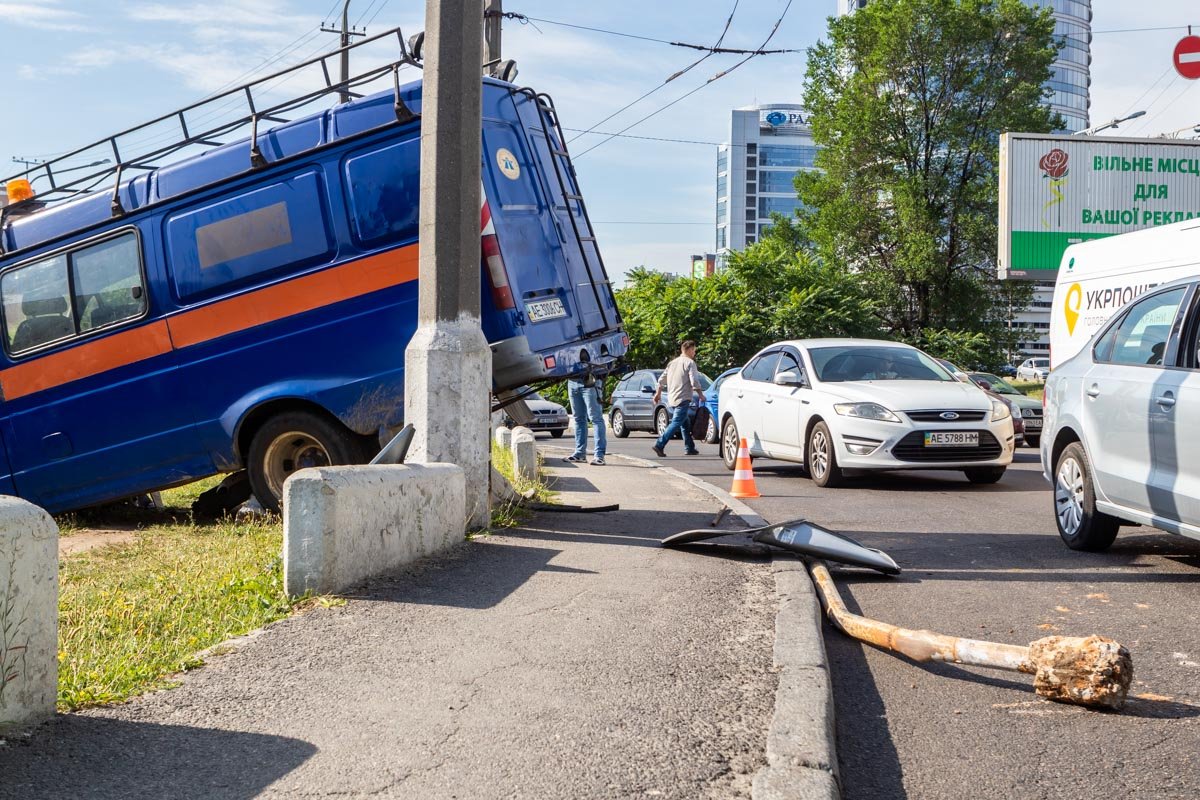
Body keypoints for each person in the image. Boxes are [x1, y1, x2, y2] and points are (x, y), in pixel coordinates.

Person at [652, 340, 706, 457]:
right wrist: (701, 395)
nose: (694, 353)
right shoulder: (690, 363)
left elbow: (661, 380)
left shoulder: (672, 363)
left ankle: (689, 447)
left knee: (685, 423)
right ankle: (659, 444)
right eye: (694, 350)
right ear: (689, 350)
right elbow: (694, 381)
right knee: (676, 422)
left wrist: (658, 394)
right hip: (683, 398)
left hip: (672, 398)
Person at [564, 371, 606, 465]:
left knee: (596, 419)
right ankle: (579, 454)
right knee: (579, 419)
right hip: (572, 381)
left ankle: (599, 456)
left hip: (591, 380)